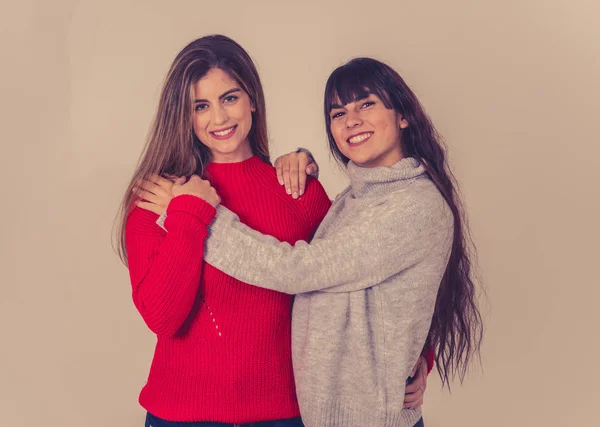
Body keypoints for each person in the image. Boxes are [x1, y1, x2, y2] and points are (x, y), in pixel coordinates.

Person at [140, 57, 483, 427]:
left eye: (366, 104)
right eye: (338, 113)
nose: (219, 117)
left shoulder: (397, 204)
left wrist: (196, 213)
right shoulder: (351, 202)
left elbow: (309, 270)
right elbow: (385, 291)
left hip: (312, 416)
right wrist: (417, 356)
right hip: (194, 414)